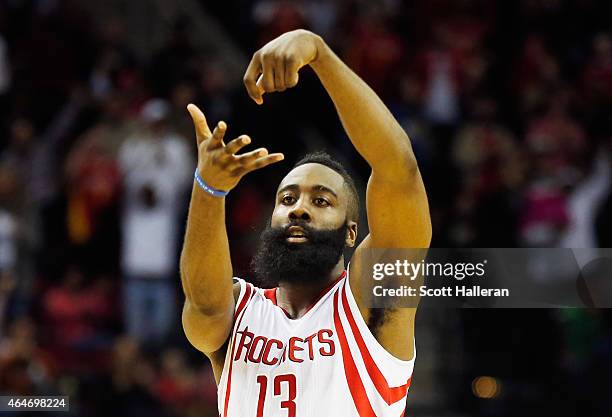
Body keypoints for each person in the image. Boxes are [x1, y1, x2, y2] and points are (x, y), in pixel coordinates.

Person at [181, 29, 431, 417]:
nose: (299, 209)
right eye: (287, 198)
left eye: (321, 200)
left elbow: (399, 171)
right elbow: (202, 306)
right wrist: (208, 188)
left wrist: (318, 52)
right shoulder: (238, 311)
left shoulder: (369, 301)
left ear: (351, 232)